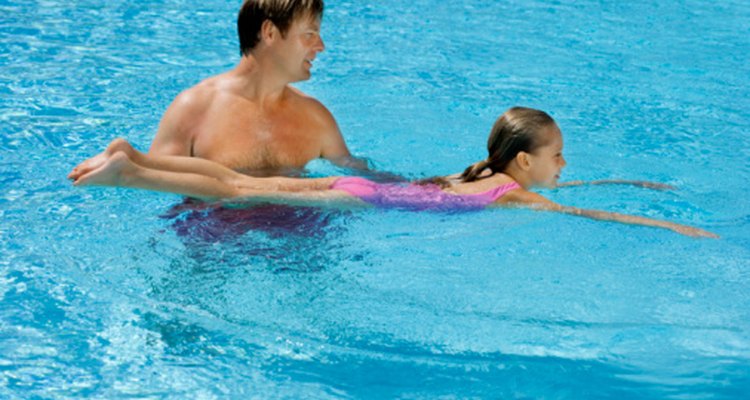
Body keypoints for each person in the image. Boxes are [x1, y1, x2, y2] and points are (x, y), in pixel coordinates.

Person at [69, 107, 718, 238]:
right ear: (524, 164)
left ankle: (141, 157)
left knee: (244, 186)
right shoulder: (521, 201)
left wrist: (624, 183)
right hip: (365, 202)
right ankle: (131, 174)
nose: (563, 167)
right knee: (240, 192)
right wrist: (661, 224)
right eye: (557, 158)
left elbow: (575, 191)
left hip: (368, 192)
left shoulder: (483, 171)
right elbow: (581, 213)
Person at [69, 0, 363, 181]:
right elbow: (155, 184)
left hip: (299, 241)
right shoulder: (195, 108)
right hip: (215, 245)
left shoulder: (315, 116)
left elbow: (357, 172)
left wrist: (403, 187)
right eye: (309, 34)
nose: (321, 46)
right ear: (270, 33)